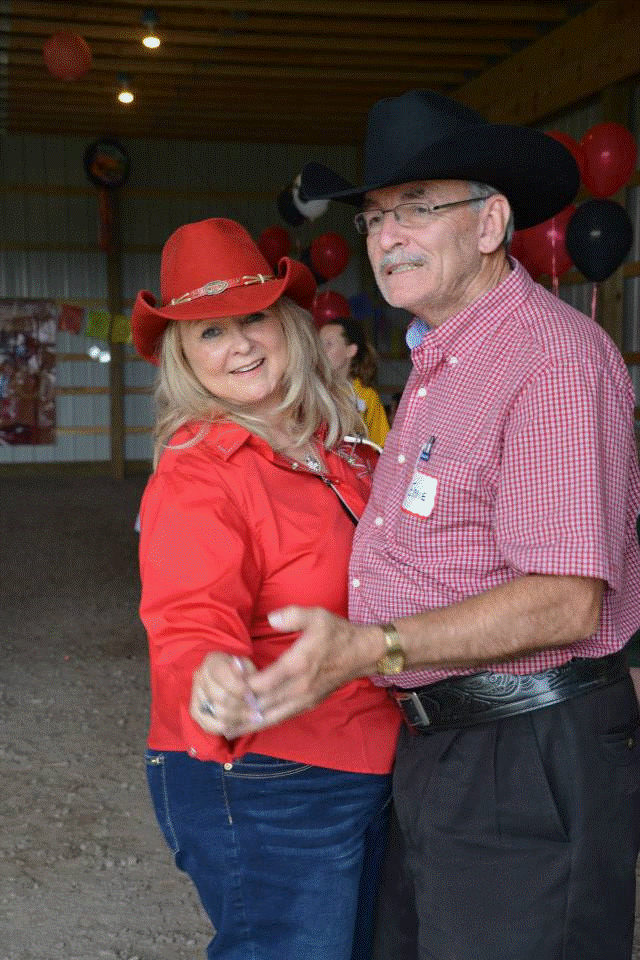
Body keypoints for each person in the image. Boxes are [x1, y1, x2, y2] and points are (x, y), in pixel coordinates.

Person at [227, 91, 640, 960]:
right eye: (376, 217)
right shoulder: (442, 357)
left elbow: (565, 601)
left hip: (526, 751)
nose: (386, 237)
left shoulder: (552, 361)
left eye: (418, 209)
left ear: (491, 225)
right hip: (442, 745)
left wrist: (371, 648)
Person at [130, 218, 401, 960]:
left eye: (253, 319)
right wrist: (212, 672)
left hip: (373, 756)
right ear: (184, 356)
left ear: (289, 324)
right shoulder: (198, 473)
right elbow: (189, 613)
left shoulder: (336, 450)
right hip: (270, 776)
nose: (241, 344)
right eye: (210, 332)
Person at [319, 316, 390, 446]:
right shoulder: (311, 390)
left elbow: (379, 446)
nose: (320, 351)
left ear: (351, 350)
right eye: (318, 344)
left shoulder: (367, 396)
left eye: (329, 344)